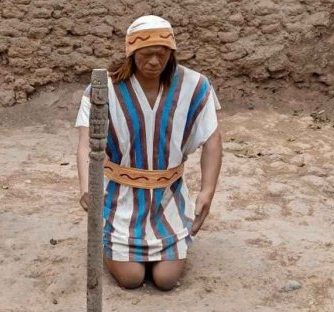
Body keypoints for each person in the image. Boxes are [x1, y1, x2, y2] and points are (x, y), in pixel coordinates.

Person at [75, 15, 223, 291]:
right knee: (131, 278)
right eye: (146, 54)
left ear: (171, 53)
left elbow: (212, 138)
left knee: (166, 280)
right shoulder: (103, 89)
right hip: (119, 199)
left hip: (168, 198)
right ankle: (109, 241)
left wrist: (207, 191)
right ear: (131, 54)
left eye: (162, 54)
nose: (155, 62)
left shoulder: (194, 86)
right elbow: (86, 142)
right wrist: (87, 186)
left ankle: (162, 240)